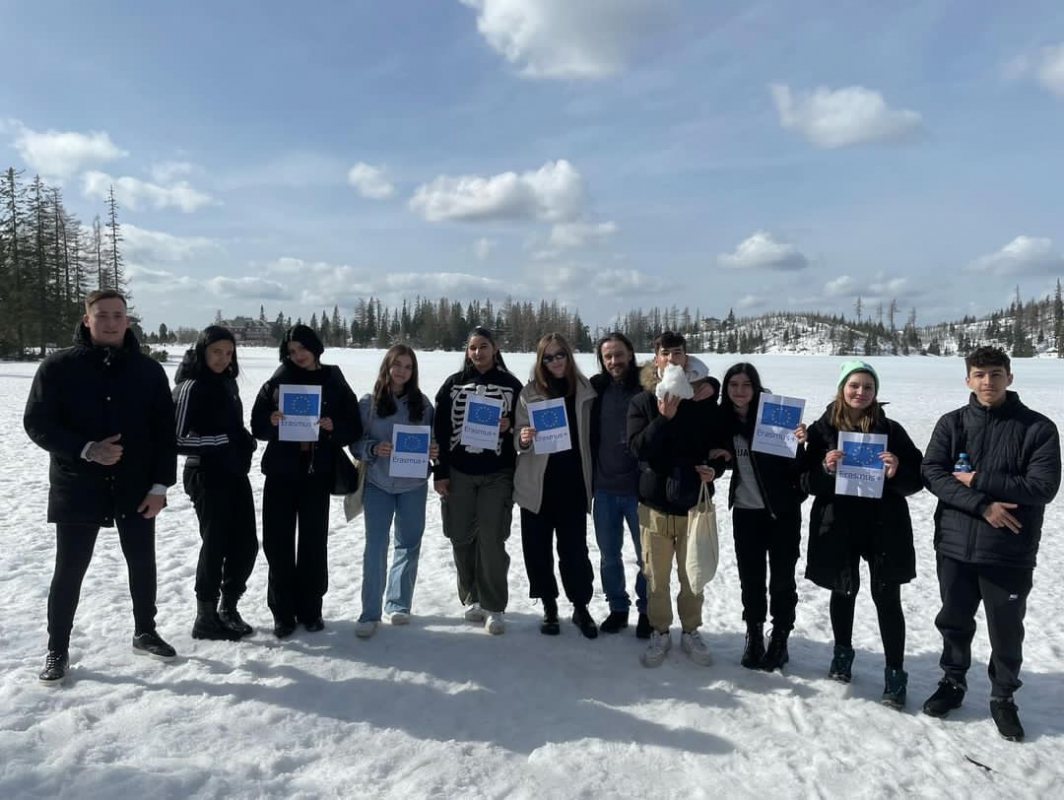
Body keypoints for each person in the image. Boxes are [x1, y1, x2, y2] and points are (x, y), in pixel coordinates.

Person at [26, 289, 178, 686]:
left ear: (127, 320)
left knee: (142, 561)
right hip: (78, 485)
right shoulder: (57, 367)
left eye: (118, 315)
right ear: (86, 318)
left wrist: (160, 485)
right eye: (103, 314)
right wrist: (86, 449)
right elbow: (37, 423)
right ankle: (57, 648)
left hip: (137, 485)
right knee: (70, 569)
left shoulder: (148, 371)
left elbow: (164, 433)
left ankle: (145, 630)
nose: (111, 321)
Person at [920, 346, 1060, 742]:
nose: (988, 382)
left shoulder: (1038, 428)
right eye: (979, 375)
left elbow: (1042, 486)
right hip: (956, 544)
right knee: (954, 620)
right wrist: (983, 506)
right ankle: (953, 682)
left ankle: (1002, 696)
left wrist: (979, 479)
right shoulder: (952, 424)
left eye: (995, 374)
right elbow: (933, 473)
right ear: (968, 379)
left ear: (1010, 377)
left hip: (1009, 549)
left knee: (1006, 629)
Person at [802, 360, 923, 708]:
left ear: (875, 393)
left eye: (867, 387)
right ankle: (842, 655)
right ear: (842, 388)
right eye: (854, 385)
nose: (860, 392)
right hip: (837, 522)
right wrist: (825, 468)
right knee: (843, 590)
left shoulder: (892, 430)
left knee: (887, 596)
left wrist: (896, 471)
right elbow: (804, 481)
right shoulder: (821, 430)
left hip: (884, 524)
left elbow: (916, 478)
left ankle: (895, 673)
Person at [251, 324, 361, 638]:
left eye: (302, 349)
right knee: (278, 542)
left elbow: (353, 427)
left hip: (317, 473)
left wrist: (332, 426)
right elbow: (256, 425)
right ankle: (283, 613)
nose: (297, 356)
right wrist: (270, 423)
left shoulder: (333, 380)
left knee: (314, 543)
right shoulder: (276, 381)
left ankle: (311, 610)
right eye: (291, 351)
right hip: (281, 472)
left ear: (315, 347)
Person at [627, 331, 727, 668]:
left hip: (693, 505)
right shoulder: (642, 401)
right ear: (656, 359)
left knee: (692, 576)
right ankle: (660, 630)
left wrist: (715, 468)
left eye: (678, 353)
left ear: (687, 358)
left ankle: (690, 630)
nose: (672, 359)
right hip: (653, 505)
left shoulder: (702, 400)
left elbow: (720, 448)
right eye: (665, 353)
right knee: (656, 577)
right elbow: (637, 449)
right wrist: (664, 418)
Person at [714, 363, 807, 671]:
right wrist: (717, 460)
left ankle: (780, 638)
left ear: (755, 388)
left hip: (781, 514)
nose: (739, 391)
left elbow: (799, 470)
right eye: (733, 385)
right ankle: (753, 634)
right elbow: (712, 454)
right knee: (751, 580)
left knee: (782, 580)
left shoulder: (774, 417)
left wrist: (800, 443)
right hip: (745, 512)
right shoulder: (723, 421)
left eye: (746, 385)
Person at [434, 327, 524, 635]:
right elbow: (441, 431)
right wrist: (441, 471)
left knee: (492, 538)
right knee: (460, 535)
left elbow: (526, 427)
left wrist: (511, 424)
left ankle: (494, 604)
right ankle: (471, 595)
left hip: (497, 473)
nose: (477, 353)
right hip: (459, 471)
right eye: (472, 348)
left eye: (483, 346)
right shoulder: (453, 385)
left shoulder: (512, 385)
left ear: (495, 348)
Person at [173, 325, 258, 642]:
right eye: (216, 352)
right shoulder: (190, 387)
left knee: (246, 543)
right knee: (216, 544)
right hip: (205, 474)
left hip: (234, 472)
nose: (223, 358)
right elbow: (175, 439)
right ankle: (205, 615)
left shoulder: (227, 384)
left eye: (228, 352)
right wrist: (224, 440)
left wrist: (242, 439)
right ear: (202, 351)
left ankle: (228, 606)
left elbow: (231, 427)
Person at [514, 333, 599, 638]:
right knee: (537, 550)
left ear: (569, 355)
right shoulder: (529, 393)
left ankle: (581, 606)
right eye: (547, 357)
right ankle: (549, 606)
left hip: (574, 485)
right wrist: (523, 439)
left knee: (574, 551)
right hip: (537, 485)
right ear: (540, 361)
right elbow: (518, 434)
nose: (555, 362)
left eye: (559, 354)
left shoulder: (587, 390)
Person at [352, 345, 438, 638]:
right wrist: (373, 448)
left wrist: (434, 450)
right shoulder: (369, 404)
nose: (402, 371)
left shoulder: (423, 405)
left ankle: (398, 604)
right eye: (397, 364)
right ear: (387, 367)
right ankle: (370, 612)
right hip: (378, 484)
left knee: (408, 544)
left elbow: (434, 442)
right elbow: (355, 443)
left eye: (408, 366)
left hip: (413, 486)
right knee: (375, 547)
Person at [590, 332, 649, 637]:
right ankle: (617, 608)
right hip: (604, 488)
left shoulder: (648, 383)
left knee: (646, 558)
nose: (614, 361)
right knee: (609, 555)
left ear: (630, 353)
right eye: (608, 356)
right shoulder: (595, 388)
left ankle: (647, 611)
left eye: (619, 354)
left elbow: (693, 370)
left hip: (640, 491)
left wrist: (711, 385)